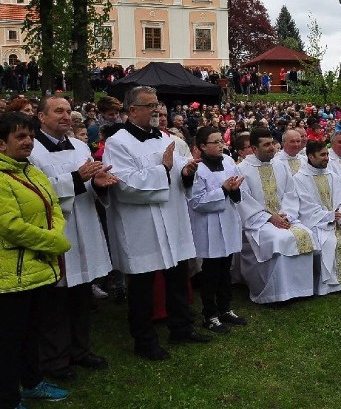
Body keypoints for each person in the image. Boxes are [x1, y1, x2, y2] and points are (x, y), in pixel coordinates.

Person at [102, 86, 209, 361]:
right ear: (132, 110)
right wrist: (162, 169)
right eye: (149, 106)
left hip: (171, 219)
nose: (156, 110)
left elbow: (181, 173)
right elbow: (123, 184)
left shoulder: (164, 138)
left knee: (177, 277)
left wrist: (186, 172)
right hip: (141, 223)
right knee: (142, 285)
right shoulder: (119, 142)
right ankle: (144, 339)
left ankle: (181, 328)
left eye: (157, 105)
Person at [28, 96, 115, 380]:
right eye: (58, 111)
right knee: (54, 302)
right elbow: (35, 190)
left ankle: (81, 349)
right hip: (56, 229)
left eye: (68, 111)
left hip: (85, 226)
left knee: (81, 295)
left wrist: (99, 184)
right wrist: (77, 179)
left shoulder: (79, 146)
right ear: (41, 116)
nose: (66, 116)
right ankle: (54, 359)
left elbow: (90, 183)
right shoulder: (32, 150)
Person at [0, 112, 72, 408]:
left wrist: (54, 235)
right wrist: (54, 242)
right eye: (20, 136)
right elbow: (10, 226)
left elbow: (53, 206)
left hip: (37, 269)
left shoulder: (31, 171)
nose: (28, 141)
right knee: (8, 340)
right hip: (11, 274)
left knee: (32, 332)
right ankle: (7, 397)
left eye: (30, 135)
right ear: (1, 144)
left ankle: (31, 382)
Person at [235, 128, 318, 303]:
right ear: (254, 148)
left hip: (284, 217)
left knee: (306, 234)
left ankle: (301, 290)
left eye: (272, 143)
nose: (272, 147)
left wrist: (285, 214)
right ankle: (277, 293)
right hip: (258, 223)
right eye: (266, 145)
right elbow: (244, 201)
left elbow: (290, 193)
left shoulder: (281, 165)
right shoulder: (242, 169)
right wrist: (269, 217)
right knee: (278, 239)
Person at [187, 126, 247, 334]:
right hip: (209, 226)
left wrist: (235, 190)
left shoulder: (229, 163)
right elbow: (196, 201)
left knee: (225, 270)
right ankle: (209, 315)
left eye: (221, 140)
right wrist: (223, 190)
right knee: (211, 273)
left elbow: (238, 191)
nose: (221, 144)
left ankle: (225, 308)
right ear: (202, 146)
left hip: (228, 221)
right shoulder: (198, 169)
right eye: (215, 142)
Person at [292, 141, 341, 295]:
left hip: (338, 220)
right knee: (329, 241)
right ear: (310, 157)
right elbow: (306, 208)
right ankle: (329, 286)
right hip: (317, 222)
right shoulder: (299, 178)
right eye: (322, 155)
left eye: (327, 154)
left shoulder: (333, 176)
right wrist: (329, 216)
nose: (327, 158)